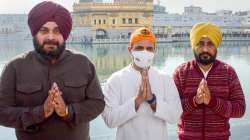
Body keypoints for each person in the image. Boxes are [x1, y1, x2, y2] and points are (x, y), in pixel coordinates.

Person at [0, 1, 105, 140]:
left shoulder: (83, 64)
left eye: (57, 31)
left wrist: (68, 111)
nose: (51, 37)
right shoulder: (14, 67)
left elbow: (97, 103)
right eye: (44, 30)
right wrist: (40, 112)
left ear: (65, 34)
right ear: (35, 32)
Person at [102, 27, 182, 140]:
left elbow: (175, 115)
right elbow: (110, 120)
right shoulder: (116, 80)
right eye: (139, 48)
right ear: (130, 49)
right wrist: (137, 101)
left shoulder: (165, 79)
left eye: (149, 48)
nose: (145, 52)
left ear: (155, 50)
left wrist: (152, 100)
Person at [173, 22, 246, 140]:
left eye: (210, 44)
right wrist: (195, 101)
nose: (205, 49)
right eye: (200, 44)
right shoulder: (181, 72)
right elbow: (172, 110)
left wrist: (212, 101)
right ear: (193, 45)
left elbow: (240, 109)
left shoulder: (228, 72)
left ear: (216, 46)